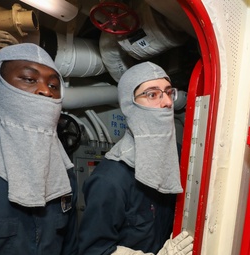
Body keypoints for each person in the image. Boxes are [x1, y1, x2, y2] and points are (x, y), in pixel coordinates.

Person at [0, 43, 78, 254]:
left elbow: (69, 245)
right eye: (29, 79)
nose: (45, 91)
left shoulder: (63, 168)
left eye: (53, 85)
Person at [78, 61, 193, 255]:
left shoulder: (177, 158)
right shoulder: (110, 179)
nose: (166, 102)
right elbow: (94, 251)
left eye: (168, 92)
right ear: (129, 105)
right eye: (152, 94)